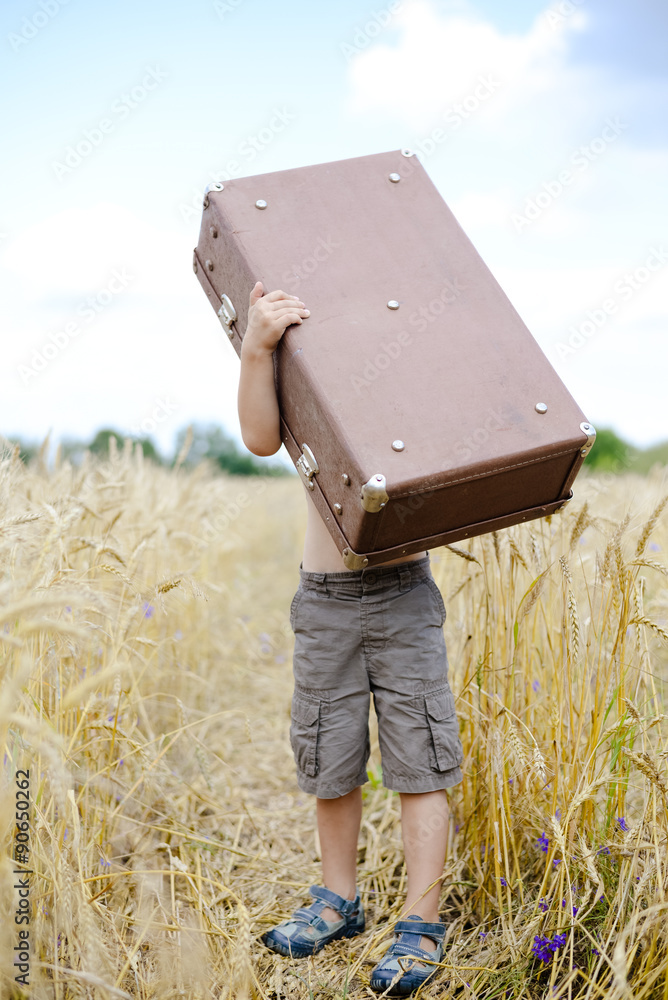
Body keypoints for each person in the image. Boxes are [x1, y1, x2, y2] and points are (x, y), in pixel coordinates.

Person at [237, 281, 463, 996]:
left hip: (402, 594)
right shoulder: (306, 358)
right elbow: (260, 437)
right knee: (329, 753)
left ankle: (420, 922)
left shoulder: (410, 362)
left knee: (419, 758)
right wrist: (256, 348)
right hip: (327, 598)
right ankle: (338, 900)